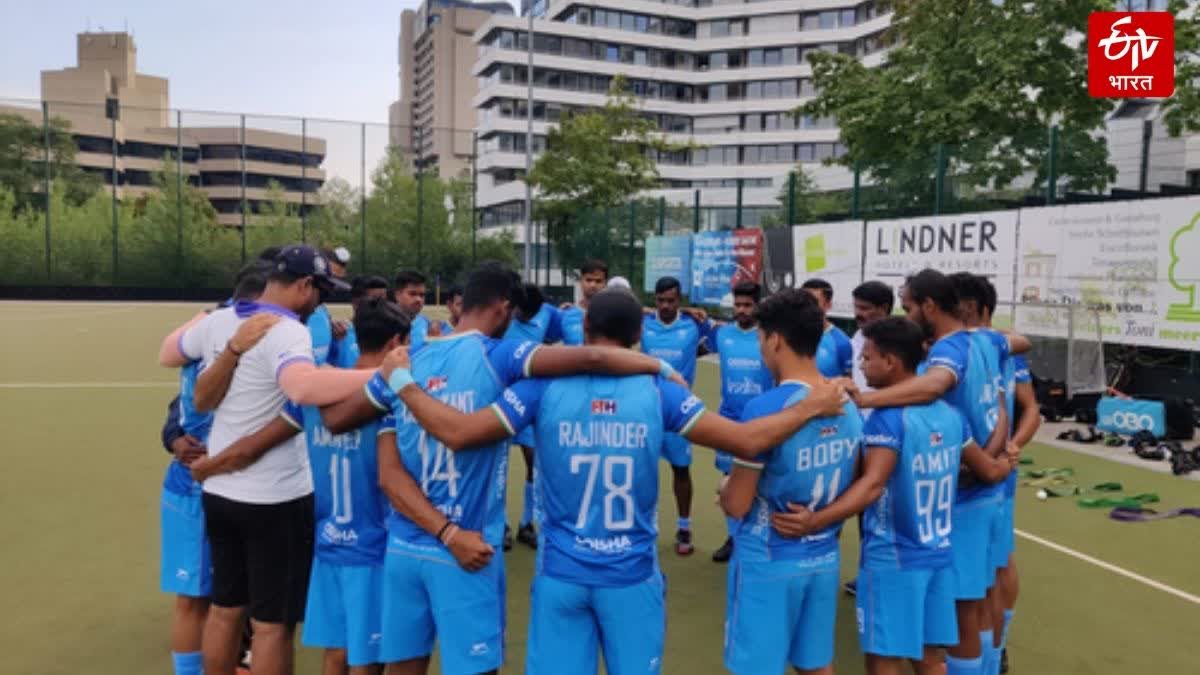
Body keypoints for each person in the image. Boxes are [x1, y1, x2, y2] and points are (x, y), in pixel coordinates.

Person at [382, 289, 848, 675]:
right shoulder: (658, 391)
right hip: (631, 578)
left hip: (561, 574)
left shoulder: (538, 389)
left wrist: (403, 382)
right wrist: (811, 405)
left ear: (584, 332)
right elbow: (748, 441)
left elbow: (462, 433)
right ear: (640, 336)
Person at [363, 263, 687, 675]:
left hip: (405, 547)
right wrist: (656, 366)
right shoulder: (500, 354)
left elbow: (363, 443)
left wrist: (396, 380)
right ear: (502, 308)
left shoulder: (410, 359)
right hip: (467, 548)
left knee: (402, 666)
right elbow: (588, 357)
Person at [158, 245, 380, 675]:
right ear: (302, 287)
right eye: (320, 290)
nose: (321, 301)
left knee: (225, 610)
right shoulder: (288, 329)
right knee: (271, 626)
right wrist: (382, 375)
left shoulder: (218, 320)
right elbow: (301, 388)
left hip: (220, 495)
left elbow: (173, 359)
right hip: (274, 498)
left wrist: (229, 351)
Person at [780, 318, 1014, 675]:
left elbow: (872, 485)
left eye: (867, 358)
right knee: (928, 655)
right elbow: (987, 469)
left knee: (884, 658)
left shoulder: (887, 421)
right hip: (939, 554)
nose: (860, 365)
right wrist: (1004, 444)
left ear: (890, 361)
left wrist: (815, 520)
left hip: (893, 559)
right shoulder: (950, 415)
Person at [848, 269, 1013, 675]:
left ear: (930, 306)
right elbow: (1002, 402)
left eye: (908, 305)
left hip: (953, 512)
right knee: (971, 606)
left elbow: (933, 385)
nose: (906, 313)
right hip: (986, 493)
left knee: (957, 617)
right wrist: (994, 458)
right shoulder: (988, 341)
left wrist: (868, 400)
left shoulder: (945, 355)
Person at [720, 288, 864, 675]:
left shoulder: (765, 409)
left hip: (768, 558)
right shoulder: (847, 402)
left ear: (776, 340)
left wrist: (723, 490)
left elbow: (737, 503)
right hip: (823, 557)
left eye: (761, 339)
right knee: (816, 665)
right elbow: (865, 483)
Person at [158, 261, 274, 675]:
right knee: (197, 599)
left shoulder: (201, 334)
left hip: (230, 485)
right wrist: (174, 435)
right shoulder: (221, 336)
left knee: (227, 598)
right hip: (198, 487)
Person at [950, 273, 1036, 675]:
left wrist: (1016, 441)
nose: (958, 314)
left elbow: (1032, 408)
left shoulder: (1002, 349)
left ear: (983, 310)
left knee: (997, 566)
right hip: (973, 469)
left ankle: (996, 647)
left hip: (992, 474)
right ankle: (987, 651)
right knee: (979, 576)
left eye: (965, 307)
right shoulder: (955, 348)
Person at [642, 275, 715, 556]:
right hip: (647, 408)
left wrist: (691, 314)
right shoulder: (645, 323)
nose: (665, 306)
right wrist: (645, 310)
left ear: (680, 301)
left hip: (680, 413)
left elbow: (718, 336)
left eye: (672, 301)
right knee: (643, 468)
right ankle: (645, 526)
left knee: (681, 470)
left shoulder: (693, 325)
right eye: (660, 301)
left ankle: (684, 527)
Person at [709, 281, 774, 563]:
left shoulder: (769, 337)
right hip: (729, 420)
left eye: (747, 305)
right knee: (728, 480)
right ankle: (734, 537)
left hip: (761, 421)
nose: (742, 310)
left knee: (761, 482)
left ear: (758, 305)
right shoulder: (722, 335)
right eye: (737, 305)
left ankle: (759, 537)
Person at [841, 279, 896, 596]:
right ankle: (867, 573)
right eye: (856, 307)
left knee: (887, 507)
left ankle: (884, 577)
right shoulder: (856, 339)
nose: (859, 314)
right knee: (865, 509)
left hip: (891, 434)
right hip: (861, 437)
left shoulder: (901, 339)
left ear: (884, 310)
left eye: (865, 309)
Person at [503, 283, 565, 549]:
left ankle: (526, 523)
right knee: (498, 466)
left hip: (532, 401)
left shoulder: (549, 313)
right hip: (502, 399)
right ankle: (501, 524)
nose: (522, 318)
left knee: (533, 463)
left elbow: (565, 333)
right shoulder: (501, 314)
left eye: (529, 315)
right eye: (519, 312)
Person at [328, 276, 390, 370]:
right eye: (376, 300)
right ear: (356, 302)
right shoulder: (338, 332)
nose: (383, 306)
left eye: (384, 300)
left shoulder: (390, 333)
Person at [802, 278, 854, 378]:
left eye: (814, 302)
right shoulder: (788, 336)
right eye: (804, 301)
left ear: (828, 305)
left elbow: (848, 384)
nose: (807, 306)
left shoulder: (841, 343)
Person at [560, 259, 609, 345]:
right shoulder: (566, 313)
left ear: (605, 283)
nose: (593, 285)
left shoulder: (613, 314)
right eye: (588, 280)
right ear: (581, 281)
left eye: (598, 281)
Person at [394, 270, 436, 350]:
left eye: (422, 295)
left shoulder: (425, 322)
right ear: (397, 295)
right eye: (412, 294)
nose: (418, 299)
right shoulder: (382, 324)